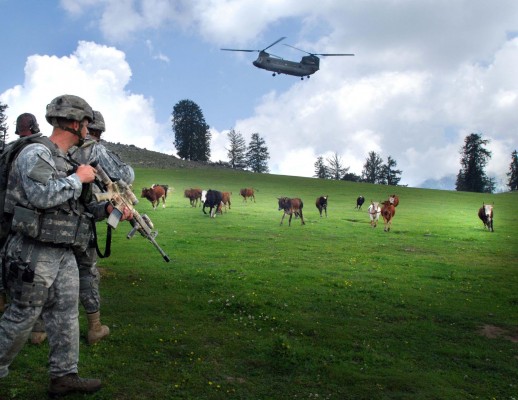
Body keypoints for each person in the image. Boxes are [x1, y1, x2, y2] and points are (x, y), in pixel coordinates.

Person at [0, 94, 131, 396]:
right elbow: (41, 196)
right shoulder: (35, 154)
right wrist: (78, 179)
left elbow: (81, 208)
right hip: (33, 251)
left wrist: (109, 211)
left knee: (65, 313)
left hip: (63, 252)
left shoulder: (68, 161)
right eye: (86, 123)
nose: (89, 129)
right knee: (22, 316)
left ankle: (64, 375)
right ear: (74, 123)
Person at [69, 110, 134, 345]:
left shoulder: (55, 150)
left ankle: (38, 330)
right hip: (80, 226)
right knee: (87, 273)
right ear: (95, 130)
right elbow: (124, 174)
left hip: (49, 226)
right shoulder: (94, 148)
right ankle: (95, 327)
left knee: (50, 274)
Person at [0, 113, 41, 313]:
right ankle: (23, 304)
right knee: (24, 256)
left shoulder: (8, 149)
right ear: (33, 126)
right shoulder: (34, 148)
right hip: (20, 209)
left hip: (3, 206)